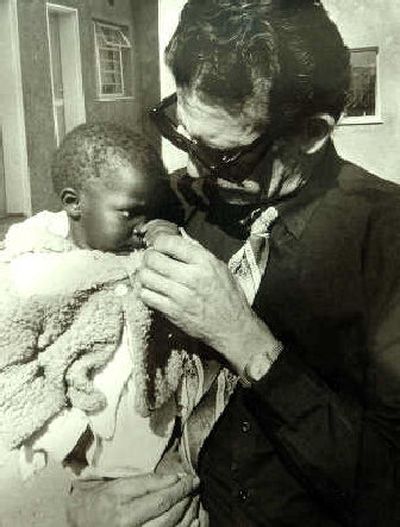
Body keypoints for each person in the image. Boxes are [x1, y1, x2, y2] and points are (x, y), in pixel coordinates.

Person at [70, 1, 400, 526]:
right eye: (181, 135)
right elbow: (79, 348)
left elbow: (389, 487)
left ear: (311, 133)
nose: (194, 167)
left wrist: (244, 340)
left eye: (223, 155)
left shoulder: (387, 240)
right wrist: (88, 496)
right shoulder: (173, 203)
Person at [0, 122, 229, 526]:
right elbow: (10, 354)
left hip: (153, 423)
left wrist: (168, 237)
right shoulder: (34, 270)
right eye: (129, 212)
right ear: (74, 204)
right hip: (78, 435)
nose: (142, 224)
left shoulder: (143, 250)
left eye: (151, 212)